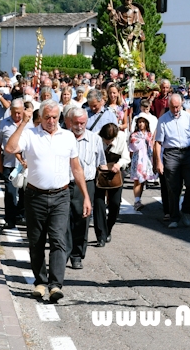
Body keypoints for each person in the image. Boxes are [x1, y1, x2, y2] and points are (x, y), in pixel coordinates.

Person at [4, 100, 91, 302]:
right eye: (47, 118)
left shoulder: (68, 137)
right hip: (35, 196)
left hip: (61, 195)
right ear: (40, 118)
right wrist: (24, 123)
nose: (51, 121)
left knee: (59, 240)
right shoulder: (30, 134)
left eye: (54, 117)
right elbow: (10, 148)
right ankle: (40, 282)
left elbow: (76, 168)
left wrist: (86, 196)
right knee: (36, 241)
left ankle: (55, 285)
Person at [67, 107, 106, 268]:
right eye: (76, 123)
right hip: (64, 183)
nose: (79, 126)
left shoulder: (94, 139)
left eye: (82, 122)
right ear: (70, 122)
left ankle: (77, 254)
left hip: (86, 184)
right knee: (63, 221)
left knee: (82, 220)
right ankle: (63, 253)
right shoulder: (63, 137)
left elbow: (100, 163)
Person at [153, 93, 190, 229]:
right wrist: (159, 162)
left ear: (182, 104)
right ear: (169, 105)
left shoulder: (188, 118)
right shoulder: (163, 120)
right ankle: (174, 217)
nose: (175, 110)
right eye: (173, 107)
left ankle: (186, 211)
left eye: (177, 107)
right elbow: (158, 142)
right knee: (173, 188)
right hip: (171, 154)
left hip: (187, 153)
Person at [0, 99, 32, 229]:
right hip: (10, 164)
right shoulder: (4, 124)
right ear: (10, 111)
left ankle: (21, 216)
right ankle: (9, 219)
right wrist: (0, 164)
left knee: (24, 194)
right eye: (14, 113)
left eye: (19, 113)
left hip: (26, 166)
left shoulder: (30, 125)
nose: (17, 116)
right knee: (11, 193)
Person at [94, 123, 129, 246]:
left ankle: (108, 228)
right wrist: (99, 163)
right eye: (105, 140)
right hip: (99, 173)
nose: (108, 142)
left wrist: (119, 165)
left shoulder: (121, 137)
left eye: (110, 140)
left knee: (115, 203)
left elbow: (126, 157)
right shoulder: (95, 137)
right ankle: (101, 235)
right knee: (98, 204)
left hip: (115, 172)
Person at [128, 116, 155, 211]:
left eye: (143, 122)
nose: (141, 124)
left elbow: (152, 147)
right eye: (139, 122)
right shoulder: (134, 135)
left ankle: (139, 199)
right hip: (138, 159)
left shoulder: (149, 135)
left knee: (143, 180)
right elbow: (133, 147)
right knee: (137, 180)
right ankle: (136, 201)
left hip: (147, 159)